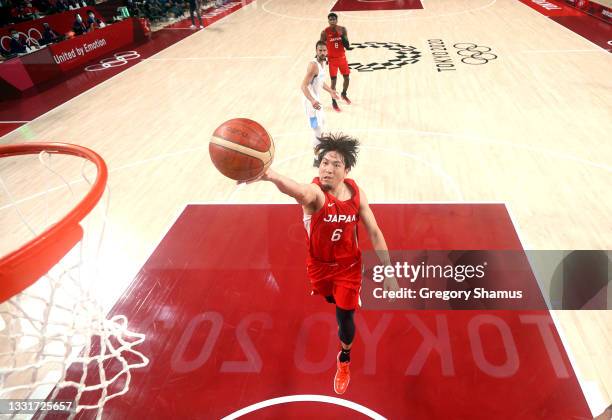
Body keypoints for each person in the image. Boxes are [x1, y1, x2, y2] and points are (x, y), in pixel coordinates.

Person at [247, 134, 399, 395]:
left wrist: (389, 272)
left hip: (349, 268)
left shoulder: (356, 194)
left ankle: (344, 358)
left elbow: (374, 231)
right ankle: (338, 298)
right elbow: (298, 189)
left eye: (335, 164)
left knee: (345, 317)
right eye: (324, 163)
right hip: (318, 267)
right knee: (329, 298)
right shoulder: (314, 195)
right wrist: (270, 175)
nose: (327, 169)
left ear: (346, 170)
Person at [301, 41, 339, 152]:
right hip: (309, 102)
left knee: (322, 122)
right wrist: (312, 100)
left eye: (324, 50)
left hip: (315, 99)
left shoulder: (323, 63)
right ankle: (317, 156)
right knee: (317, 128)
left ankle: (318, 151)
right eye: (320, 50)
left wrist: (331, 91)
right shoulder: (313, 66)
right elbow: (303, 86)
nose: (322, 52)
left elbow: (320, 82)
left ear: (327, 51)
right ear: (316, 51)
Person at [320, 12, 351, 112]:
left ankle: (344, 94)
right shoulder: (325, 32)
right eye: (330, 19)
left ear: (337, 20)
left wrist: (341, 35)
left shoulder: (342, 29)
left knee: (347, 78)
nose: (332, 21)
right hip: (332, 60)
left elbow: (347, 46)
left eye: (334, 19)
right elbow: (321, 46)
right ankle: (333, 101)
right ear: (328, 21)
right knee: (333, 82)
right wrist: (321, 58)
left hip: (342, 58)